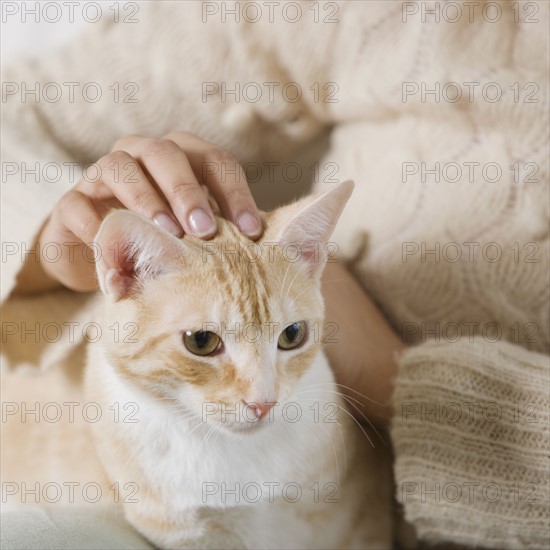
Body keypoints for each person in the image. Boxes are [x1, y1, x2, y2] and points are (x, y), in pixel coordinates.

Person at [1, 2, 548, 549]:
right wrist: (53, 248)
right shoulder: (381, 15)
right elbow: (12, 107)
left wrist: (393, 377)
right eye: (203, 341)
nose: (260, 396)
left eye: (291, 337)